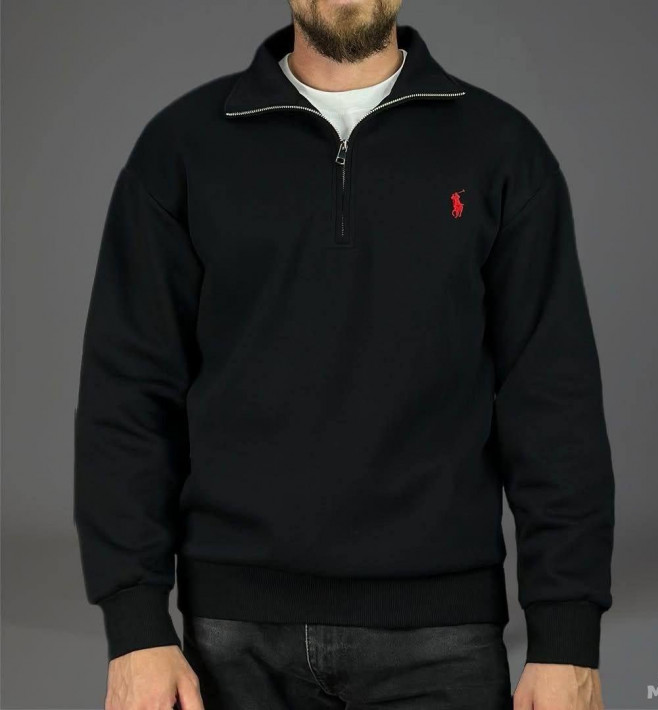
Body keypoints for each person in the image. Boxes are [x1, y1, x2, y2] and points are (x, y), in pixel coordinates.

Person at [73, 1, 615, 708]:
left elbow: (552, 402)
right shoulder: (182, 147)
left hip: (441, 637)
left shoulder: (501, 150)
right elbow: (128, 393)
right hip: (234, 640)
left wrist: (566, 637)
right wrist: (136, 625)